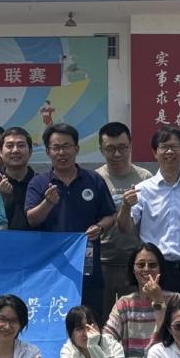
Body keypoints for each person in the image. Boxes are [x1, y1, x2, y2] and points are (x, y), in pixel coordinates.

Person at [26, 123, 116, 330]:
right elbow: (32, 219)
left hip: (87, 268)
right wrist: (48, 203)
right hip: (51, 270)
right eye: (56, 147)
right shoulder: (39, 183)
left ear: (76, 148)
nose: (62, 152)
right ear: (48, 152)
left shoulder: (93, 180)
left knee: (90, 323)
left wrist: (100, 228)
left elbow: (110, 215)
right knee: (53, 323)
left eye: (66, 146)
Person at [119, 126, 180, 299]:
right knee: (155, 314)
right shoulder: (142, 190)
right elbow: (125, 228)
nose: (169, 151)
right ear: (155, 152)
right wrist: (125, 206)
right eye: (164, 147)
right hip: (154, 269)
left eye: (174, 147)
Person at [104, 243, 171, 358]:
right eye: (140, 265)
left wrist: (158, 299)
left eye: (152, 265)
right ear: (133, 270)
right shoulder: (124, 303)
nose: (146, 269)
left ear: (160, 268)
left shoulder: (175, 300)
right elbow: (107, 337)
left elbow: (166, 334)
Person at [96, 122, 152, 316]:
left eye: (122, 147)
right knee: (102, 317)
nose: (117, 154)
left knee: (135, 316)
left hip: (135, 261)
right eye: (110, 149)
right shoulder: (95, 178)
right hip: (102, 260)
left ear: (130, 145)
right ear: (101, 150)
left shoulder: (145, 177)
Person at [0, 126, 37, 230]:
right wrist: (2, 198)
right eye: (9, 146)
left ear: (30, 151)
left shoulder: (41, 183)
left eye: (21, 145)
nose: (15, 150)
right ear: (0, 152)